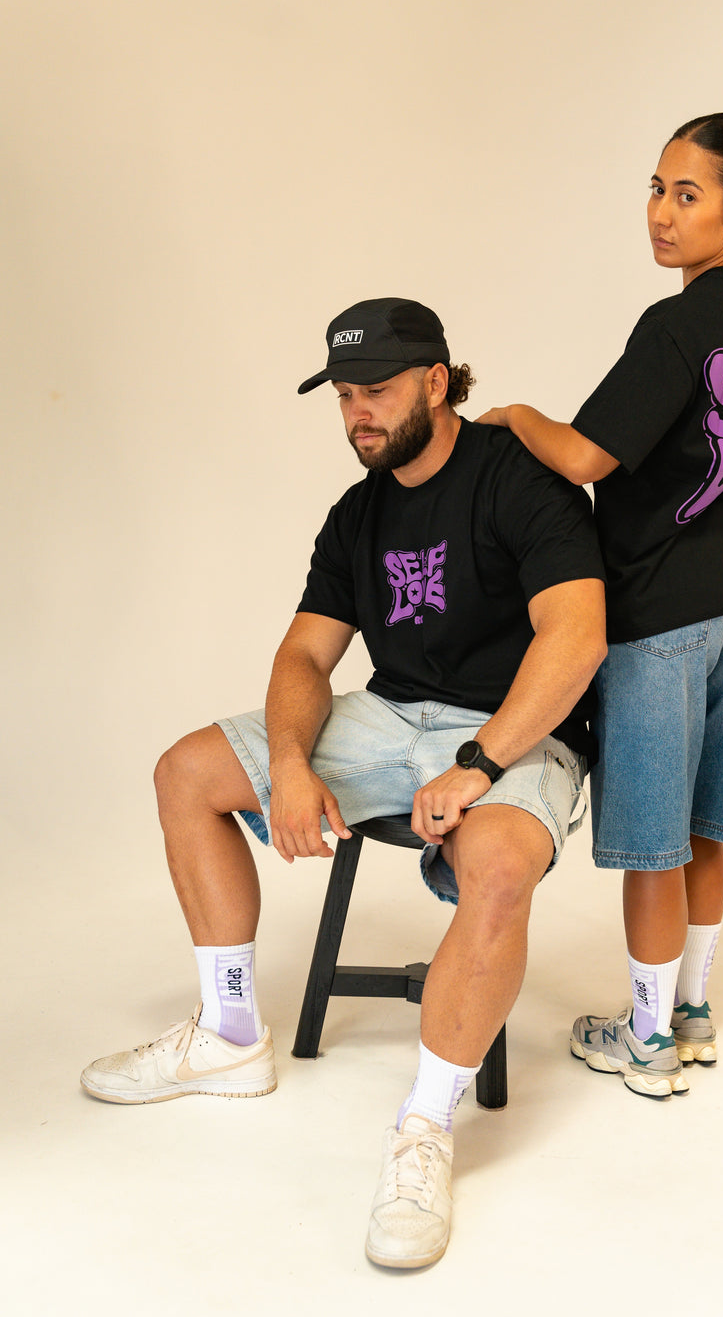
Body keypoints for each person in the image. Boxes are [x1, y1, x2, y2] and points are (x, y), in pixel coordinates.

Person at [81, 297, 606, 1267]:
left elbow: (576, 638)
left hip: (514, 727)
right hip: (392, 714)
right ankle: (230, 1032)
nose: (357, 413)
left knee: (496, 868)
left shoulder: (517, 482)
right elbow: (303, 658)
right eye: (343, 395)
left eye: (376, 390)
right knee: (186, 772)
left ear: (437, 383)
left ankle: (425, 1127)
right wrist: (287, 764)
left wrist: (480, 764)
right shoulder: (358, 514)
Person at [478, 113, 723, 1098]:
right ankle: (689, 1010)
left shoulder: (678, 325)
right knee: (703, 829)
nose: (661, 213)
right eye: (655, 188)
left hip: (657, 625)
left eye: (686, 196)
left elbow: (585, 455)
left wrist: (516, 415)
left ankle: (645, 1046)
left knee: (652, 841)